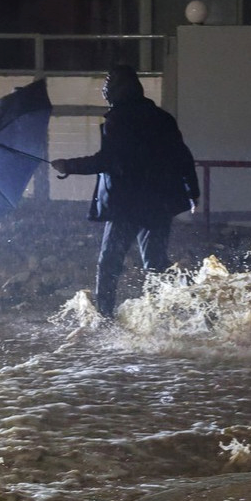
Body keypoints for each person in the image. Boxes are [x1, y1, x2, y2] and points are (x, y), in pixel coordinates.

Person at [51, 65, 200, 317]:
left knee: (109, 262)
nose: (104, 89)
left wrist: (69, 166)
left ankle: (105, 318)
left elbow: (107, 160)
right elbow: (182, 156)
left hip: (127, 204)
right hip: (158, 203)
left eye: (109, 83)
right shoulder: (162, 118)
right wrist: (192, 190)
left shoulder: (118, 120)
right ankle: (198, 299)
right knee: (156, 263)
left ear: (122, 87)